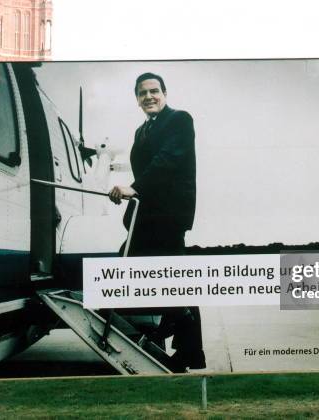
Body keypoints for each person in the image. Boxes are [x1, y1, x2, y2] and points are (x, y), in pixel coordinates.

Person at [109, 72, 205, 372]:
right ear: (136, 99)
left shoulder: (179, 120)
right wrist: (127, 192)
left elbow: (166, 161)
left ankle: (175, 324)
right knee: (163, 275)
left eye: (154, 91)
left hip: (168, 215)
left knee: (171, 277)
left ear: (164, 93)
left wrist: (134, 187)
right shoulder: (141, 131)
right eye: (142, 93)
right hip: (147, 215)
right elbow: (149, 169)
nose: (149, 96)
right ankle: (183, 341)